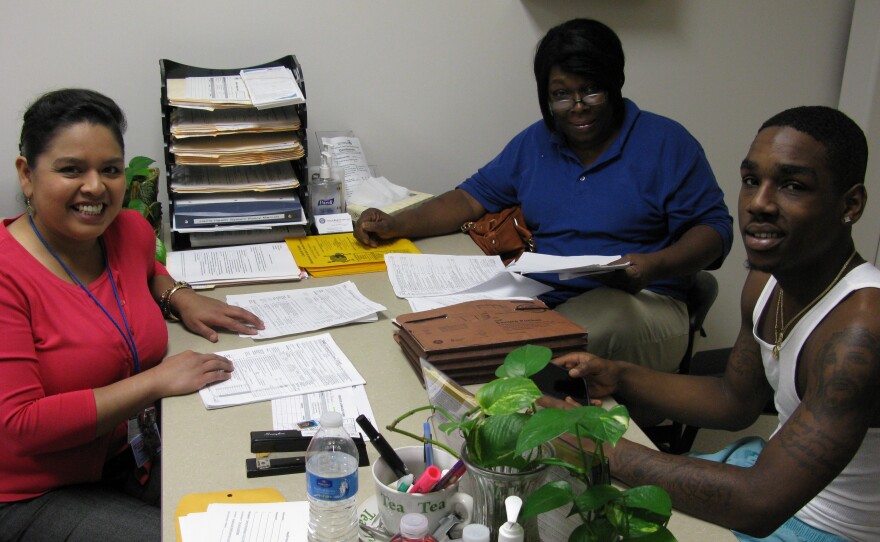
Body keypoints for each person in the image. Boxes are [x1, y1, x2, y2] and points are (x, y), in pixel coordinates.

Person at [545, 106, 879, 541]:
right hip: (769, 481)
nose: (759, 203)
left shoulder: (861, 328)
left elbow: (758, 504)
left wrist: (598, 449)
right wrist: (619, 375)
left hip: (824, 528)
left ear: (850, 205)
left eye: (793, 186)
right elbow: (733, 400)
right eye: (751, 180)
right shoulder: (766, 281)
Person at [354, 18, 733, 373]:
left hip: (644, 301)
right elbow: (469, 199)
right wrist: (395, 223)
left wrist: (653, 265)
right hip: (546, 297)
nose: (578, 106)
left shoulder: (666, 142)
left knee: (523, 358)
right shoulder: (538, 141)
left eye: (591, 91)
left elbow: (715, 232)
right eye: (561, 96)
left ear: (615, 85)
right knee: (438, 333)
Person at [0, 88, 265, 541]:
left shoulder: (126, 230)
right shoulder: (8, 276)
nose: (95, 187)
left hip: (127, 456)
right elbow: (20, 425)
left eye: (110, 170)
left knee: (253, 506)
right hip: (35, 491)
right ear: (27, 175)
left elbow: (144, 268)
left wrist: (177, 295)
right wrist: (156, 382)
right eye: (70, 170)